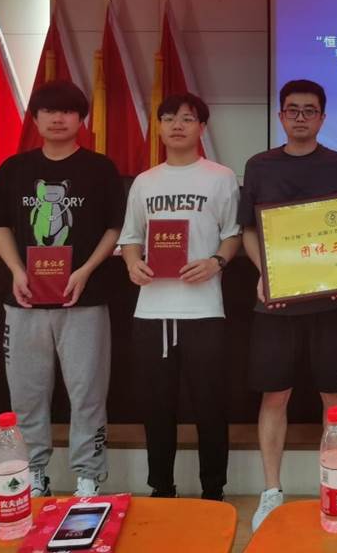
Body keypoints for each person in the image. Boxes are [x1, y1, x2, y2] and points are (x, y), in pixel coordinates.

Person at [0, 79, 125, 498]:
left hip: (84, 300)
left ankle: (88, 476)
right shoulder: (15, 169)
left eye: (67, 111)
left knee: (88, 393)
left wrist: (86, 270)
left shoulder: (100, 169)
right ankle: (33, 474)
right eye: (48, 111)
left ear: (81, 119)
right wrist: (16, 270)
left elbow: (115, 227)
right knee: (27, 395)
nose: (58, 118)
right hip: (24, 302)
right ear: (36, 118)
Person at [240, 79, 337, 532]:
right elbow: (249, 231)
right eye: (293, 110)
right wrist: (266, 273)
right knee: (275, 395)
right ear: (280, 116)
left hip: (329, 303)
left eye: (310, 110)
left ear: (323, 118)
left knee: (334, 397)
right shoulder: (259, 165)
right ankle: (272, 491)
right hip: (277, 303)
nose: (301, 117)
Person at [119, 93, 241, 501]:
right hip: (152, 310)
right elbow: (131, 237)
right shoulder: (145, 181)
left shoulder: (221, 177)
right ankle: (161, 488)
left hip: (204, 309)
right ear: (158, 127)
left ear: (201, 127)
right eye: (168, 118)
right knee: (156, 407)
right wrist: (133, 263)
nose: (177, 125)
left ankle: (213, 491)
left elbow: (232, 234)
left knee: (211, 406)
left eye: (187, 119)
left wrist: (215, 263)